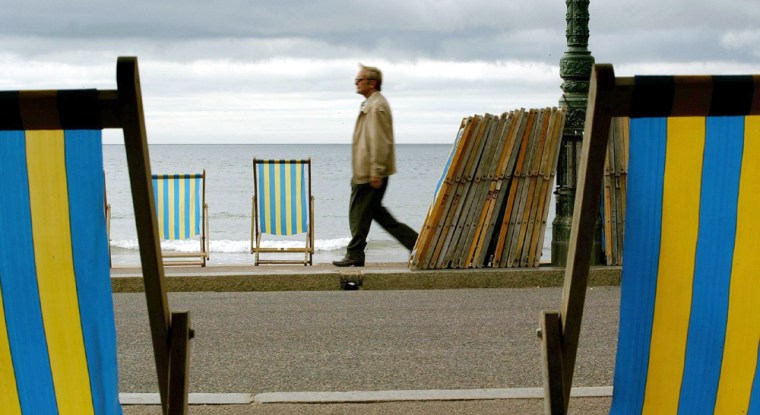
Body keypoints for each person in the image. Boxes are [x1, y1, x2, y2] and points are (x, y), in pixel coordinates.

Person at [332, 64, 419, 267]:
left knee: (359, 214)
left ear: (372, 83)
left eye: (359, 80)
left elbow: (380, 141)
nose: (356, 83)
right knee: (374, 214)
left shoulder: (376, 106)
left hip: (370, 172)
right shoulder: (371, 104)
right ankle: (416, 244)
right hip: (365, 171)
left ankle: (355, 253)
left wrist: (376, 170)